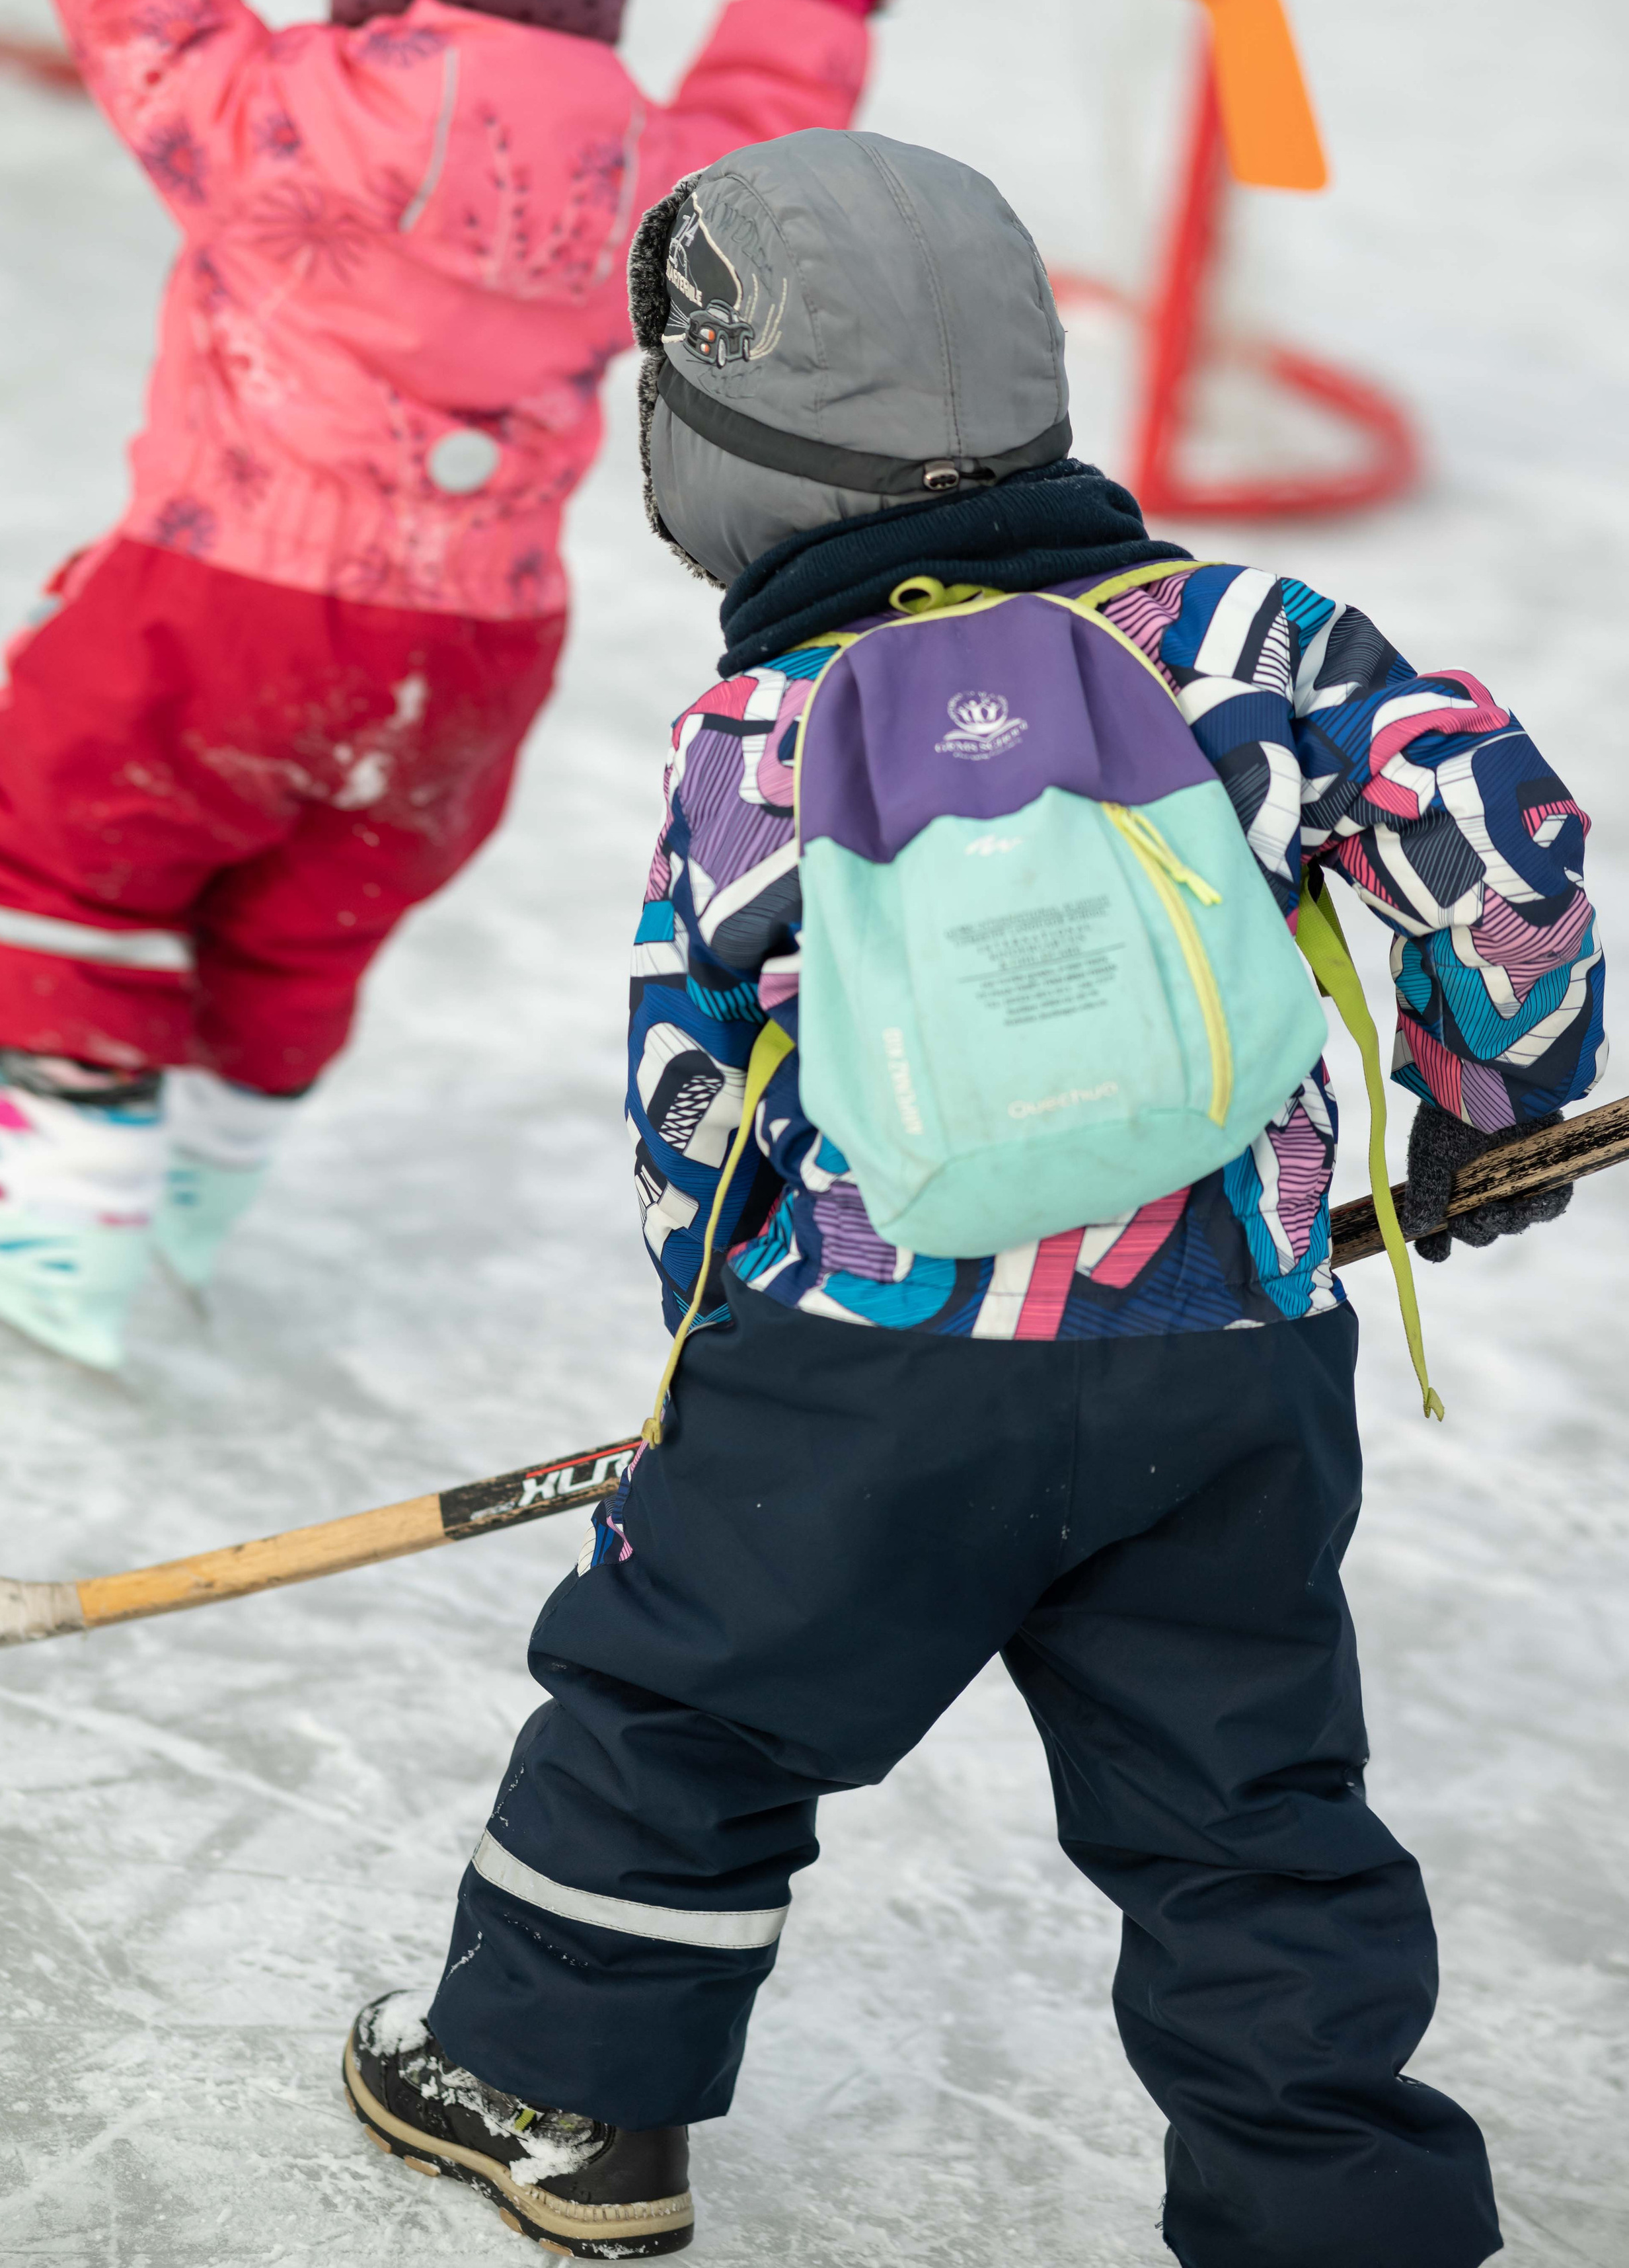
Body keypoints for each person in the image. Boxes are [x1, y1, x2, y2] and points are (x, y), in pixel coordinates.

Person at [340, 129, 1603, 2264]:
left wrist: (723, 1353)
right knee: (1246, 1813)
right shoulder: (1259, 633)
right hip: (1232, 1363)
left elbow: (698, 1080)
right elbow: (1501, 844)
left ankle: (566, 2100)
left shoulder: (767, 723)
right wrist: (1492, 1105)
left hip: (867, 1375)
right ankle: (1338, 2218)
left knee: (684, 1721)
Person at [0, 0, 962, 1366]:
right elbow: (761, 131)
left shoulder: (281, 110)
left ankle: (48, 1208)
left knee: (45, 849)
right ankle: (202, 1179)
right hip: (473, 654)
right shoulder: (655, 172)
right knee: (306, 915)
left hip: (226, 604)